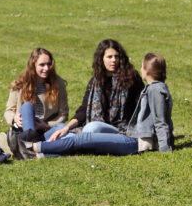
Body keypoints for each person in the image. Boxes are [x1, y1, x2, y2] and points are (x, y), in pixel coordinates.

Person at [17, 39, 145, 158]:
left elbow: (143, 105)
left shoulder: (131, 79)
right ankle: (33, 149)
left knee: (91, 129)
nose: (114, 60)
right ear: (101, 59)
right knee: (70, 132)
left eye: (116, 56)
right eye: (109, 57)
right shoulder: (96, 81)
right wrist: (67, 128)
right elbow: (83, 110)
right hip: (99, 130)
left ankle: (29, 147)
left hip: (121, 130)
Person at [0, 48, 69, 156]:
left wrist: (46, 125)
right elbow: (9, 111)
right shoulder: (20, 83)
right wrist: (14, 118)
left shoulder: (58, 83)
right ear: (33, 65)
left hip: (44, 130)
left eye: (49, 64)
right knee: (27, 106)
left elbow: (63, 114)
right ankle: (32, 145)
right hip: (24, 129)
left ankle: (25, 147)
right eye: (42, 65)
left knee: (62, 127)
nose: (46, 68)